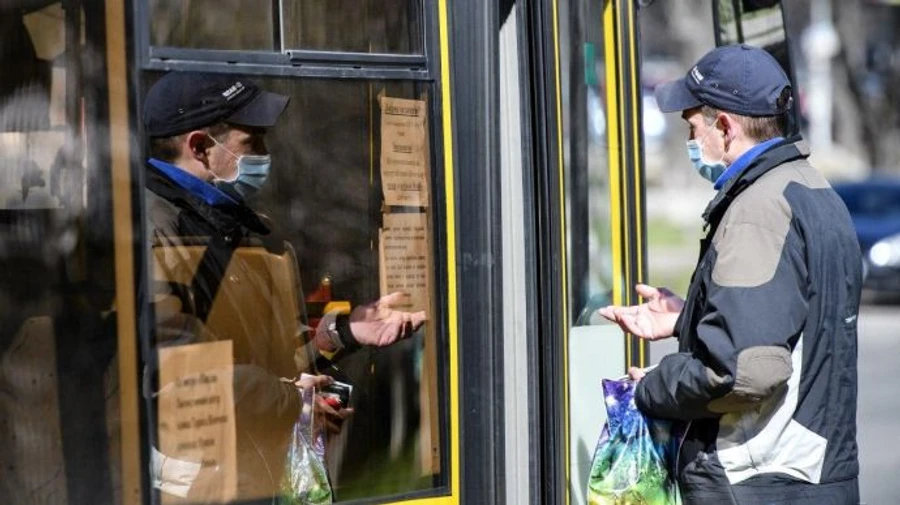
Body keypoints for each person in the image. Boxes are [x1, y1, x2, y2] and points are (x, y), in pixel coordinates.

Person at [142, 71, 426, 503]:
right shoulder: (152, 233)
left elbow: (275, 351)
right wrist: (295, 403)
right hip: (204, 487)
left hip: (259, 474)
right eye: (251, 142)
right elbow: (182, 377)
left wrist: (344, 333)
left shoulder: (244, 231)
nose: (264, 154)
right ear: (200, 147)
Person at [599, 44, 862, 505]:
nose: (690, 137)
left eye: (693, 124)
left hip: (759, 481)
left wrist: (651, 389)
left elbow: (743, 372)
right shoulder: (813, 191)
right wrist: (690, 319)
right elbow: (794, 325)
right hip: (811, 477)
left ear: (724, 126)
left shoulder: (758, 210)